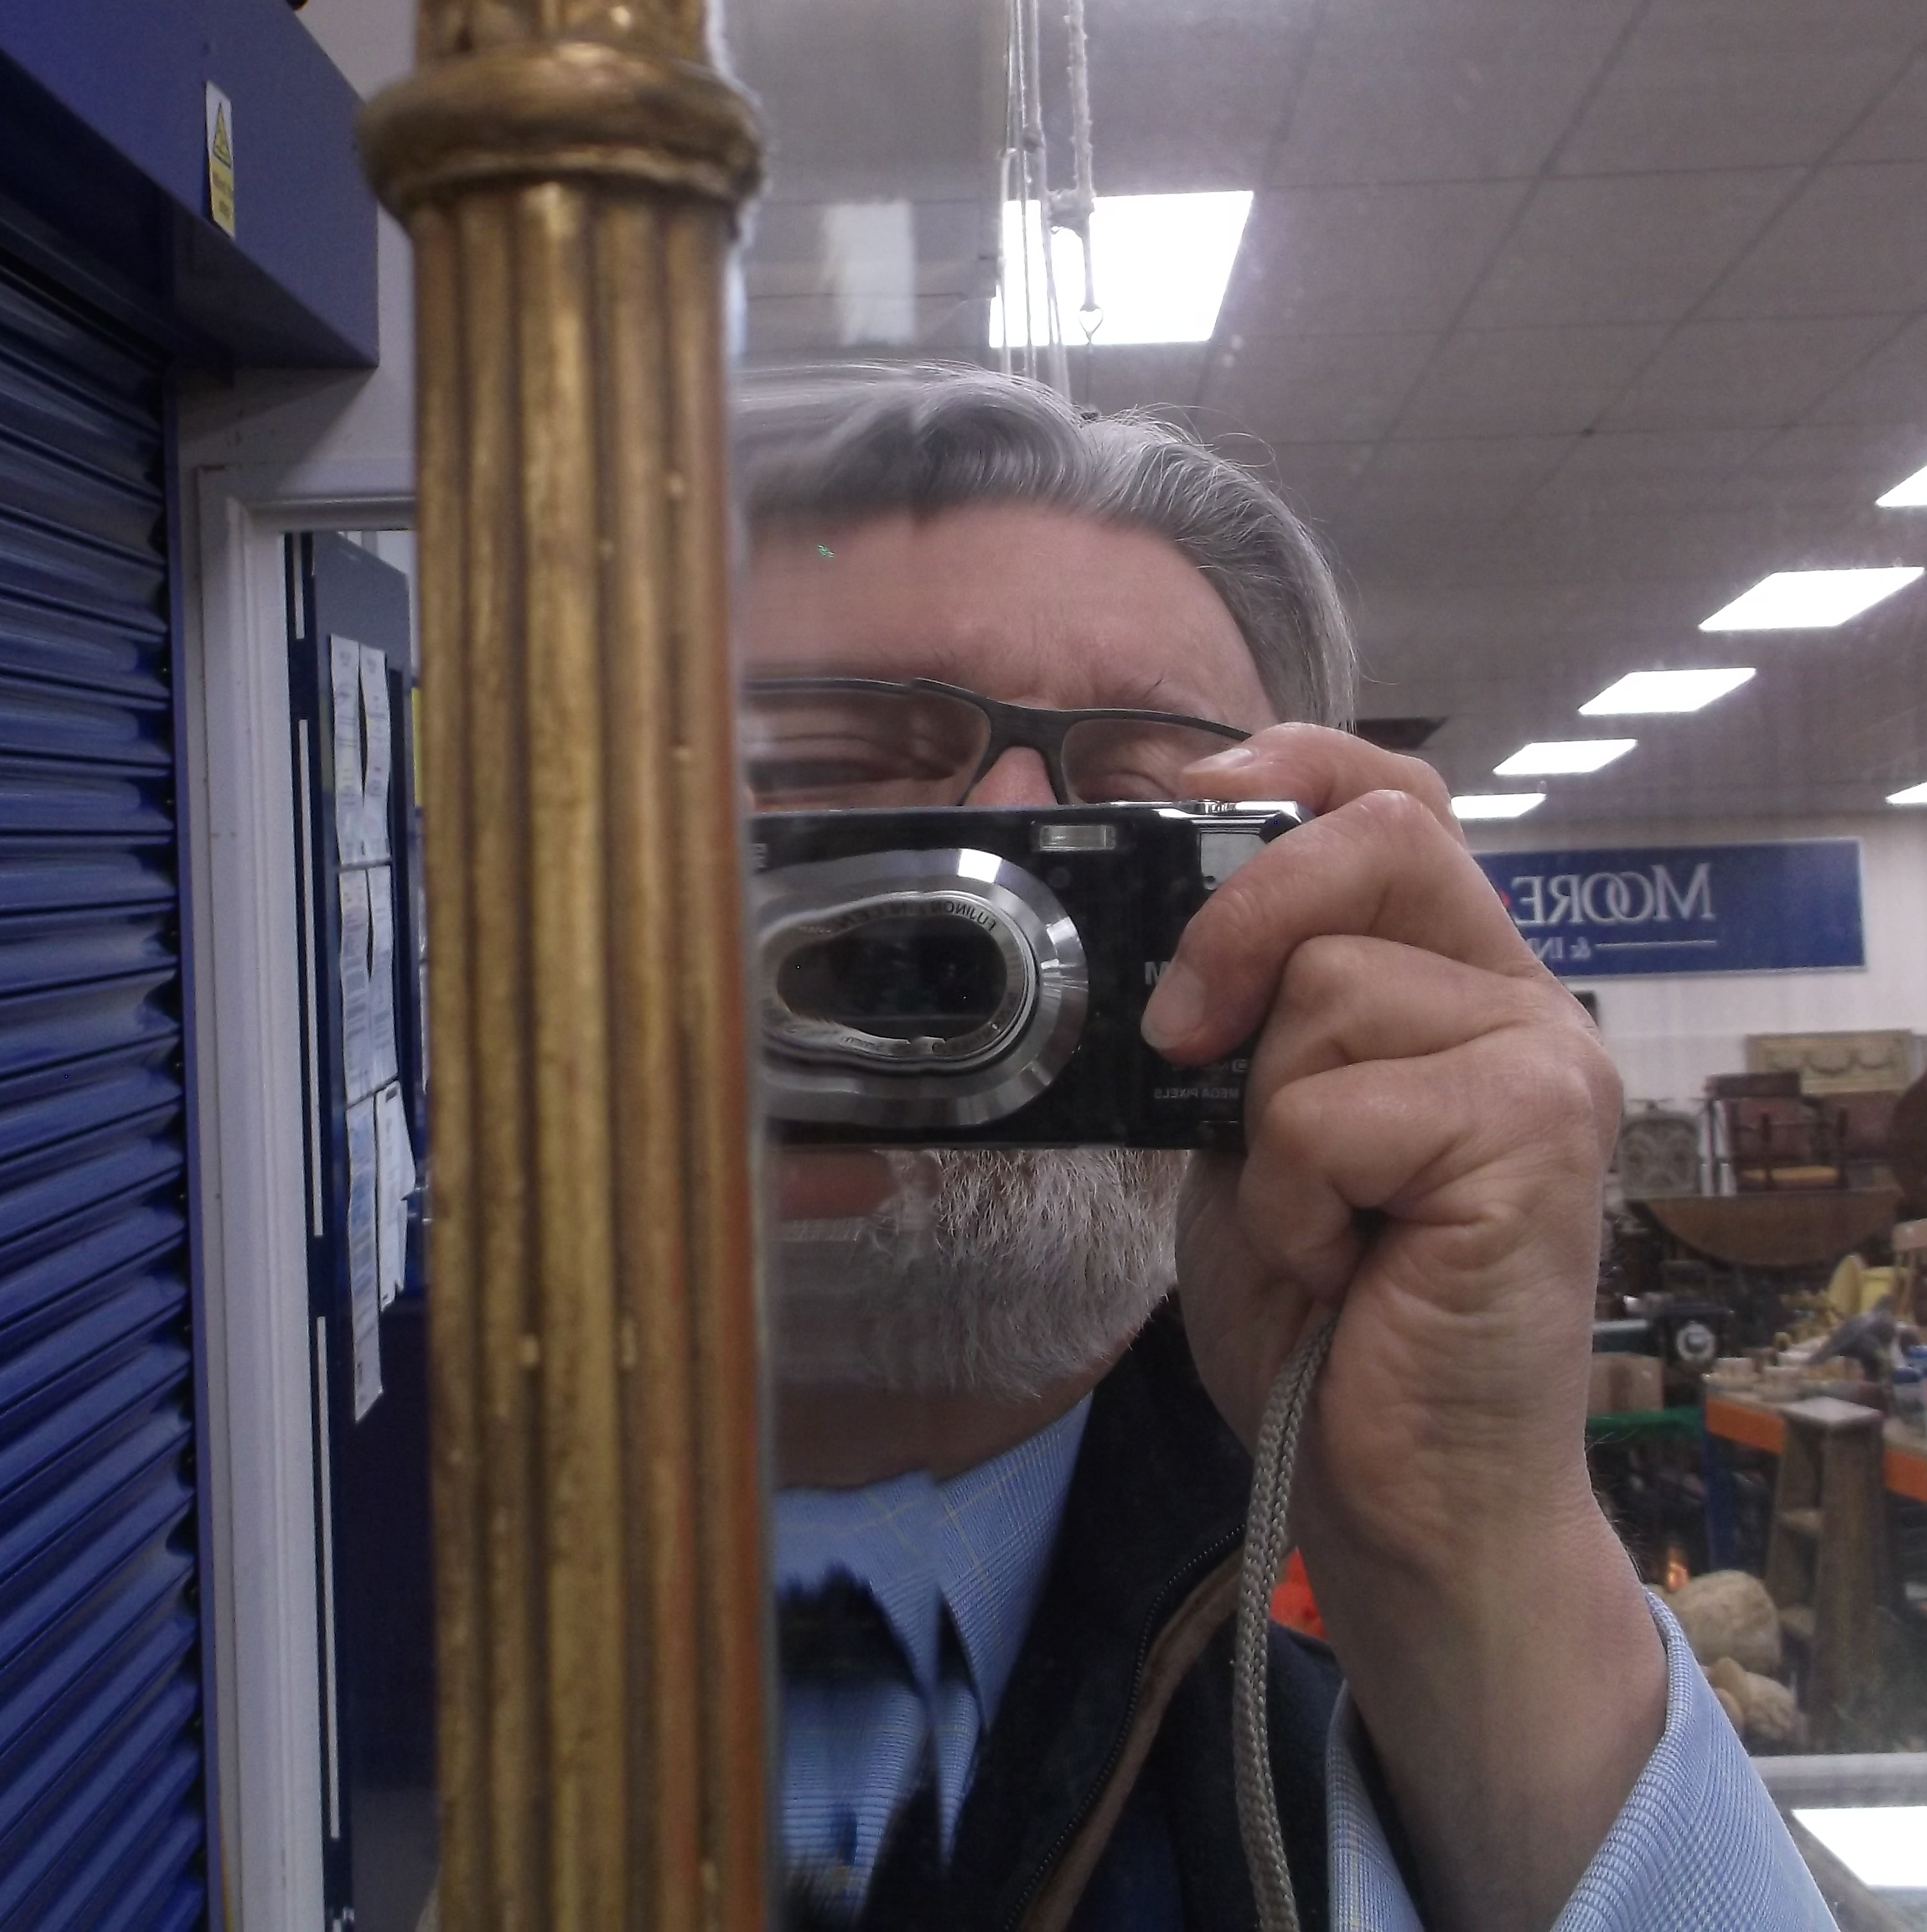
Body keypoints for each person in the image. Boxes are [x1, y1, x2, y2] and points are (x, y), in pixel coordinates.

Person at [739, 366, 1828, 1929]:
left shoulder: (1335, 1663)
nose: (1009, 861)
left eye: (1144, 807)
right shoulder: (315, 1485)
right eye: (847, 767)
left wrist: (1473, 1555)